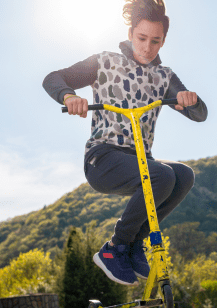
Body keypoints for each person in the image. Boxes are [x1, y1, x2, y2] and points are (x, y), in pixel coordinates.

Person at [43, 0, 207, 286]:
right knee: (161, 174)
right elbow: (53, 78)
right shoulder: (104, 62)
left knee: (182, 175)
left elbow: (200, 113)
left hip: (140, 162)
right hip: (103, 158)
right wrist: (70, 97)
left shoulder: (164, 77)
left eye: (155, 41)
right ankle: (114, 249)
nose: (147, 47)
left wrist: (188, 101)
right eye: (142, 38)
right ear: (130, 34)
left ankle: (133, 244)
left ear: (164, 41)